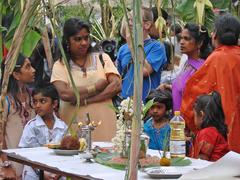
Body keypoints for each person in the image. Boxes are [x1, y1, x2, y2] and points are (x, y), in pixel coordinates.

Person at [51, 18, 121, 141]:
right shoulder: (60, 65)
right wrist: (95, 87)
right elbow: (65, 94)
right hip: (74, 124)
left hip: (105, 124)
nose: (83, 42)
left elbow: (116, 86)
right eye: (78, 39)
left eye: (86, 38)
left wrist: (87, 100)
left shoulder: (102, 58)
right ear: (68, 41)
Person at [181, 14, 240, 153]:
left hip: (221, 132)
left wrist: (189, 122)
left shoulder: (216, 58)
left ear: (214, 36)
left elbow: (195, 94)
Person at [117, 6, 167, 101]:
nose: (129, 23)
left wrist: (132, 45)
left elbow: (144, 71)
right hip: (124, 106)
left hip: (147, 106)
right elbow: (118, 78)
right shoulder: (123, 49)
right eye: (128, 19)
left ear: (147, 25)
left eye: (133, 20)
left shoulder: (157, 47)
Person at [19, 82, 67, 180]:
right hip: (33, 174)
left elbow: (66, 152)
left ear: (54, 104)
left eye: (43, 101)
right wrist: (41, 173)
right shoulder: (31, 126)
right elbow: (26, 154)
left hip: (57, 172)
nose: (37, 105)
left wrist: (58, 172)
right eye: (35, 102)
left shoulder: (63, 127)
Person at [159, 23, 212, 111]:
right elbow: (186, 90)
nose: (182, 42)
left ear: (199, 43)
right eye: (181, 38)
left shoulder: (201, 69)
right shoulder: (187, 63)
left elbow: (197, 98)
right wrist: (169, 87)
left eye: (186, 39)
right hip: (178, 120)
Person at [0, 54, 36, 179]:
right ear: (16, 75)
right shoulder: (5, 101)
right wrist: (6, 164)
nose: (33, 70)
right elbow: (0, 134)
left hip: (31, 163)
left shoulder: (33, 97)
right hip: (11, 165)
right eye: (28, 67)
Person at [191, 91, 229, 161]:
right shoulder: (215, 131)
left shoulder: (207, 133)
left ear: (202, 115)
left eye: (194, 115)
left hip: (213, 170)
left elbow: (201, 162)